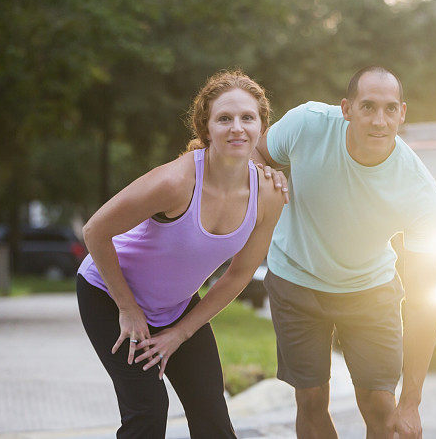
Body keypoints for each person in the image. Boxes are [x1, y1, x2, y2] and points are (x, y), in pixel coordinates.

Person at [76, 69, 284, 438]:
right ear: (206, 129)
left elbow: (237, 276)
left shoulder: (268, 195)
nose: (237, 127)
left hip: (175, 306)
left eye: (247, 118)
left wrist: (180, 333)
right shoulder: (175, 182)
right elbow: (95, 231)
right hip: (109, 295)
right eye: (224, 118)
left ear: (261, 127)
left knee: (212, 419)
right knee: (148, 412)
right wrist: (128, 308)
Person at [254, 66, 436, 438]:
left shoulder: (419, 190)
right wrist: (268, 182)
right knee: (311, 398)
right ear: (346, 109)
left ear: (402, 113)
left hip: (370, 289)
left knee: (380, 407)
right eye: (368, 107)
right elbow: (258, 154)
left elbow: (424, 301)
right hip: (296, 277)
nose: (379, 120)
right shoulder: (307, 125)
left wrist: (412, 403)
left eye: (390, 109)